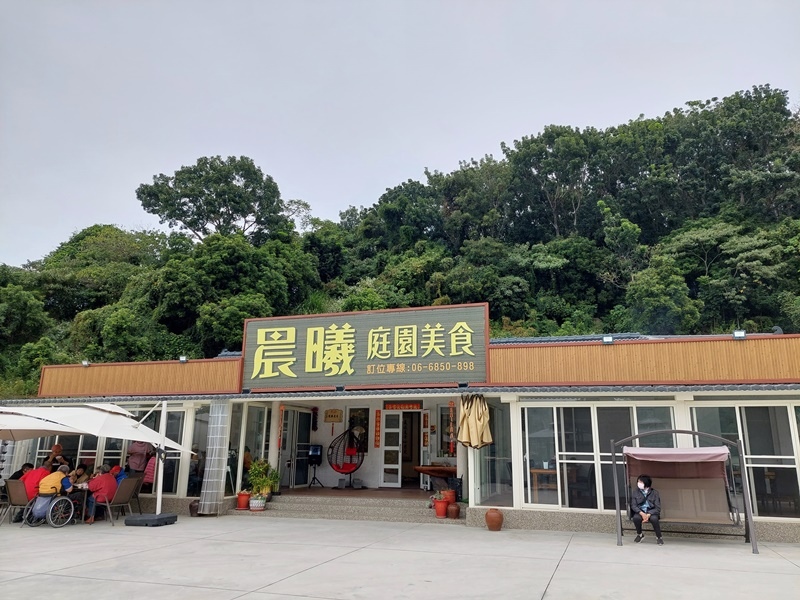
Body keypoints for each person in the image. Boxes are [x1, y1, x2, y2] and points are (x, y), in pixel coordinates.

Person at [630, 474, 664, 545]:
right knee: (636, 518)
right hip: (640, 512)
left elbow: (657, 508)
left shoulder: (654, 493)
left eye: (641, 482)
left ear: (646, 483)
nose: (639, 484)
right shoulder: (635, 492)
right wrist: (642, 513)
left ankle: (659, 537)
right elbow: (633, 505)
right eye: (638, 482)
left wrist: (648, 514)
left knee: (654, 519)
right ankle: (640, 534)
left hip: (651, 512)